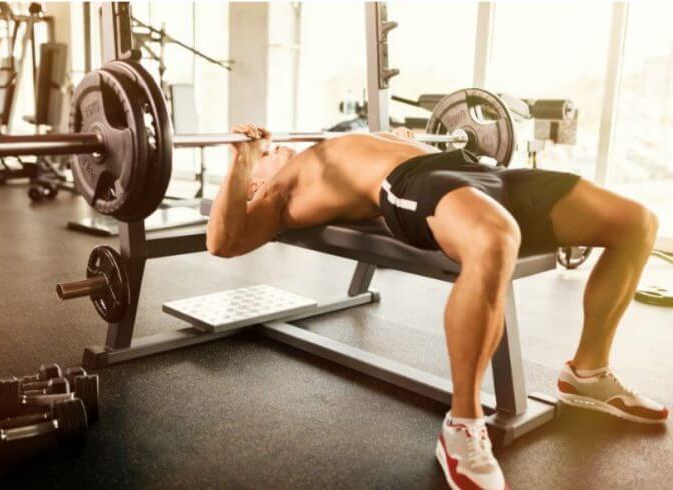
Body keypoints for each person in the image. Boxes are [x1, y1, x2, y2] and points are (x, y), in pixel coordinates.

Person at [206, 124, 667, 490]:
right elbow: (223, 241)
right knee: (494, 239)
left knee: (637, 222)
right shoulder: (280, 189)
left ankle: (587, 371)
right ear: (254, 185)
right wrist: (243, 161)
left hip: (484, 172)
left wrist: (397, 136)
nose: (272, 146)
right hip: (418, 182)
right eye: (264, 155)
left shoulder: (323, 150)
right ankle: (463, 425)